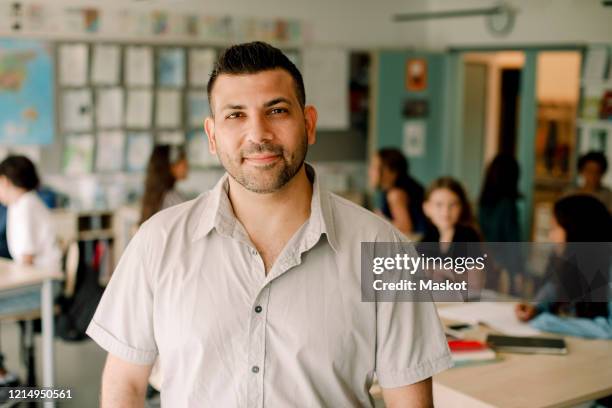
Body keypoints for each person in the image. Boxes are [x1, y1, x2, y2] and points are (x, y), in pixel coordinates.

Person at [87, 41, 452, 407]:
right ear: (212, 136)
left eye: (276, 110)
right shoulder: (157, 241)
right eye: (235, 115)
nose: (258, 133)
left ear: (308, 124)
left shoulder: (385, 249)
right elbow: (124, 385)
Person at [516, 195, 610, 326]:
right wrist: (536, 308)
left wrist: (549, 323)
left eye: (554, 228)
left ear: (575, 230)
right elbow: (553, 290)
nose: (551, 236)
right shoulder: (569, 263)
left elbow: (608, 329)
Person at [0, 155, 60, 270]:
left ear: (4, 181)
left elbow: (27, 257)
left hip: (42, 277)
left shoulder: (26, 205)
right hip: (37, 273)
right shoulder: (19, 203)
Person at [478, 154, 524, 293]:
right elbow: (512, 243)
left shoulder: (482, 203)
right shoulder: (508, 205)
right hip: (504, 266)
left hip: (485, 262)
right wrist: (518, 272)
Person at [369, 148, 426, 238]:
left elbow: (406, 229)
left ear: (390, 171)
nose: (370, 172)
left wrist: (380, 219)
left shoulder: (396, 194)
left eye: (374, 167)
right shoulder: (403, 187)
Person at [139, 144, 189, 225]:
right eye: (183, 160)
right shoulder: (173, 199)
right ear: (171, 166)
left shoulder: (154, 196)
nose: (187, 165)